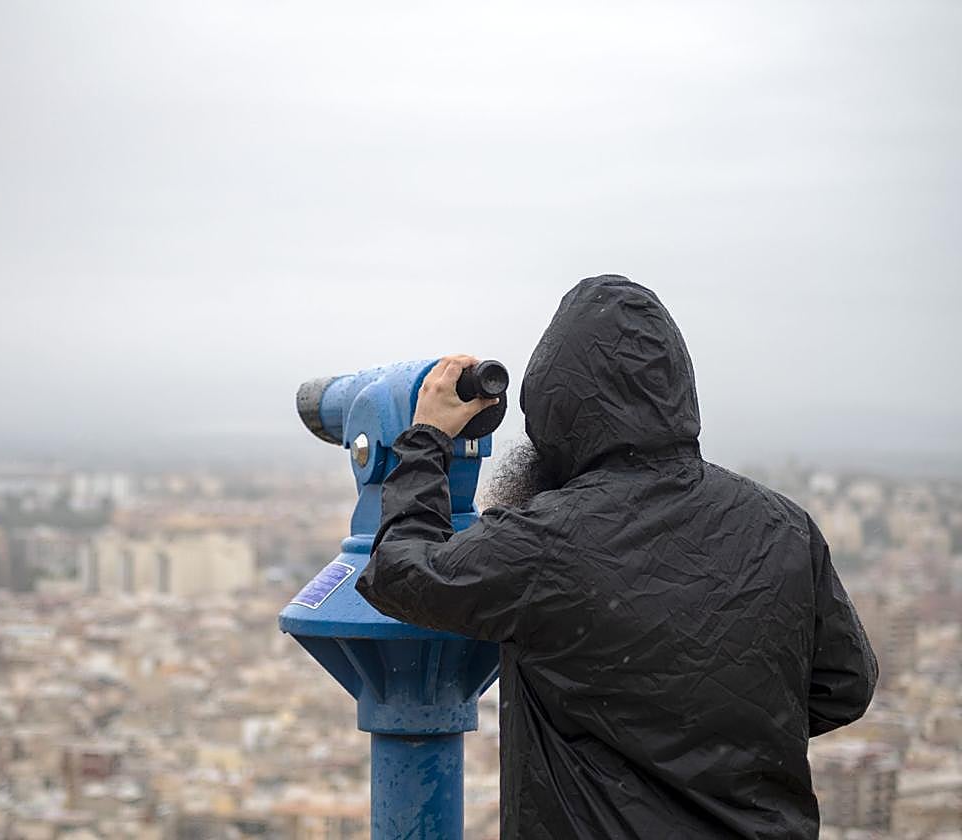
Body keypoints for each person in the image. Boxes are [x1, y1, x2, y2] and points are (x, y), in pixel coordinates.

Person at [356, 275, 878, 839]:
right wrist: (713, 741)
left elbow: (402, 572)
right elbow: (845, 684)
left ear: (555, 409)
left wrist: (426, 439)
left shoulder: (546, 542)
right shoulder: (784, 526)